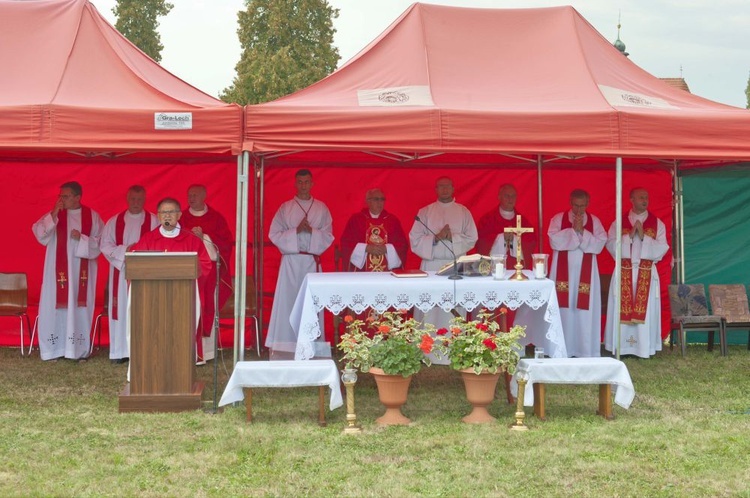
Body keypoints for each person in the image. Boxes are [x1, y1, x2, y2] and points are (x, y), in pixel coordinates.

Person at [130, 198, 213, 364]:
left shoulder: (191, 239)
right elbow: (136, 264)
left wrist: (189, 271)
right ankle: (155, 358)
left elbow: (205, 265)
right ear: (158, 216)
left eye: (171, 212)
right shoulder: (148, 239)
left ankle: (184, 359)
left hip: (183, 297)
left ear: (179, 215)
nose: (167, 216)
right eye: (163, 212)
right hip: (154, 297)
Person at [32, 181, 104, 361]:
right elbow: (39, 234)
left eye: (65, 196)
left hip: (81, 272)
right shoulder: (55, 215)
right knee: (53, 306)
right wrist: (55, 212)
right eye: (60, 196)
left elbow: (101, 243)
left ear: (77, 197)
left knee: (78, 308)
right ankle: (53, 349)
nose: (61, 199)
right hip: (55, 272)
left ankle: (77, 350)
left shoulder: (92, 216)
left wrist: (82, 238)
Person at [409, 177, 477, 363]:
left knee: (452, 309)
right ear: (436, 189)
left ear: (454, 188)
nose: (445, 189)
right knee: (429, 308)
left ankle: (452, 351)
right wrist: (436, 238)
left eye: (448, 185)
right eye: (441, 186)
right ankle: (426, 351)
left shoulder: (463, 212)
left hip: (454, 266)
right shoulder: (425, 212)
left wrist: (452, 237)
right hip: (430, 267)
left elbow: (472, 238)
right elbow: (414, 239)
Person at [267, 169, 334, 356]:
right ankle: (285, 344)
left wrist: (312, 231)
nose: (303, 185)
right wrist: (295, 231)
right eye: (300, 182)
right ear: (295, 184)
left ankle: (311, 345)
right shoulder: (286, 207)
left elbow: (328, 235)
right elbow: (274, 234)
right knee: (288, 302)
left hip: (311, 262)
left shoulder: (321, 208)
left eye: (307, 182)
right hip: (290, 262)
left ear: (312, 184)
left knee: (311, 304)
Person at [604, 187, 669, 358]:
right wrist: (629, 236)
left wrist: (644, 237)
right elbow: (610, 245)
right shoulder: (619, 222)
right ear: (631, 199)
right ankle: (622, 346)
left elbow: (663, 248)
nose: (644, 200)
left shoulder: (657, 223)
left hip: (646, 271)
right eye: (641, 197)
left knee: (645, 310)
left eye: (646, 197)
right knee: (621, 306)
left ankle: (643, 348)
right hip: (625, 270)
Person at [100, 186, 158, 364]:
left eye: (139, 200)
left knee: (142, 311)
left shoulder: (154, 221)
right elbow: (105, 245)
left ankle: (142, 351)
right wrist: (127, 250)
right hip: (121, 272)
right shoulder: (114, 221)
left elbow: (160, 244)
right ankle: (119, 351)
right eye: (133, 199)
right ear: (127, 199)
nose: (135, 203)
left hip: (144, 274)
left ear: (145, 199)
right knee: (121, 310)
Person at [548, 189, 607, 357]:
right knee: (563, 309)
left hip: (586, 273)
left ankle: (584, 349)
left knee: (584, 311)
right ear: (570, 202)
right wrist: (573, 231)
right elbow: (553, 241)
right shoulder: (558, 219)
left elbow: (600, 244)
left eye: (582, 206)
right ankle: (560, 348)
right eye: (575, 205)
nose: (579, 210)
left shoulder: (594, 221)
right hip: (562, 270)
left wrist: (582, 232)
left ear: (588, 204)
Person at [179, 184, 234, 357]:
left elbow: (225, 244)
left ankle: (208, 352)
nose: (191, 198)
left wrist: (205, 236)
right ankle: (188, 351)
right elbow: (175, 240)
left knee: (208, 306)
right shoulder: (181, 218)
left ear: (204, 196)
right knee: (188, 308)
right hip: (187, 271)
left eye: (195, 195)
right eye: (189, 195)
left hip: (209, 272)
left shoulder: (216, 218)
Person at [340, 188, 408, 272]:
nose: (380, 202)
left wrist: (387, 249)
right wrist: (366, 248)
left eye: (382, 199)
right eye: (376, 199)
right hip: (362, 272)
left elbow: (402, 244)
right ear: (367, 201)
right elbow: (347, 243)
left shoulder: (392, 220)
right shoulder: (356, 220)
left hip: (387, 272)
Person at [476, 183, 537, 269]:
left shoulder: (523, 221)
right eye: (506, 196)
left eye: (513, 196)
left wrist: (515, 239)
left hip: (516, 269)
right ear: (499, 197)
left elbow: (531, 242)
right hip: (494, 269)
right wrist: (501, 238)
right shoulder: (487, 220)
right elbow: (480, 242)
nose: (510, 199)